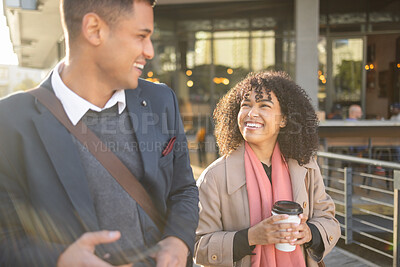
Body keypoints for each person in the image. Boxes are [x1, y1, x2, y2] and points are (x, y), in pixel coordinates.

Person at [0, 0, 199, 266]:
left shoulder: (160, 99)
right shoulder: (9, 122)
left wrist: (178, 240)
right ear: (94, 29)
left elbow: (183, 188)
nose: (149, 51)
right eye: (141, 36)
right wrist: (59, 259)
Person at [195, 71, 340, 267]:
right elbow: (198, 247)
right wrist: (250, 237)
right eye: (245, 105)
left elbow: (328, 220)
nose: (251, 113)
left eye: (264, 105)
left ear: (284, 120)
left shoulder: (305, 166)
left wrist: (309, 233)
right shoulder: (214, 177)